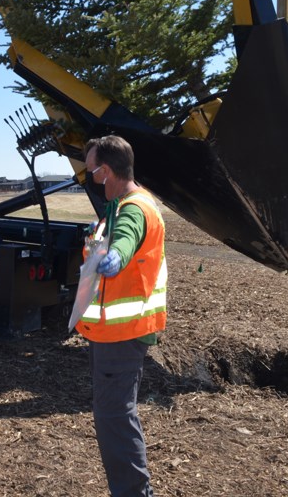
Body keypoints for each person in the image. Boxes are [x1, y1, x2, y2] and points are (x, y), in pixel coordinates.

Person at [78, 135, 167, 497]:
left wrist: (117, 254)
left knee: (115, 418)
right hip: (110, 334)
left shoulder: (135, 208)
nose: (91, 180)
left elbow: (128, 238)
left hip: (123, 335)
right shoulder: (118, 205)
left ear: (108, 171)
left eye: (92, 173)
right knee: (112, 416)